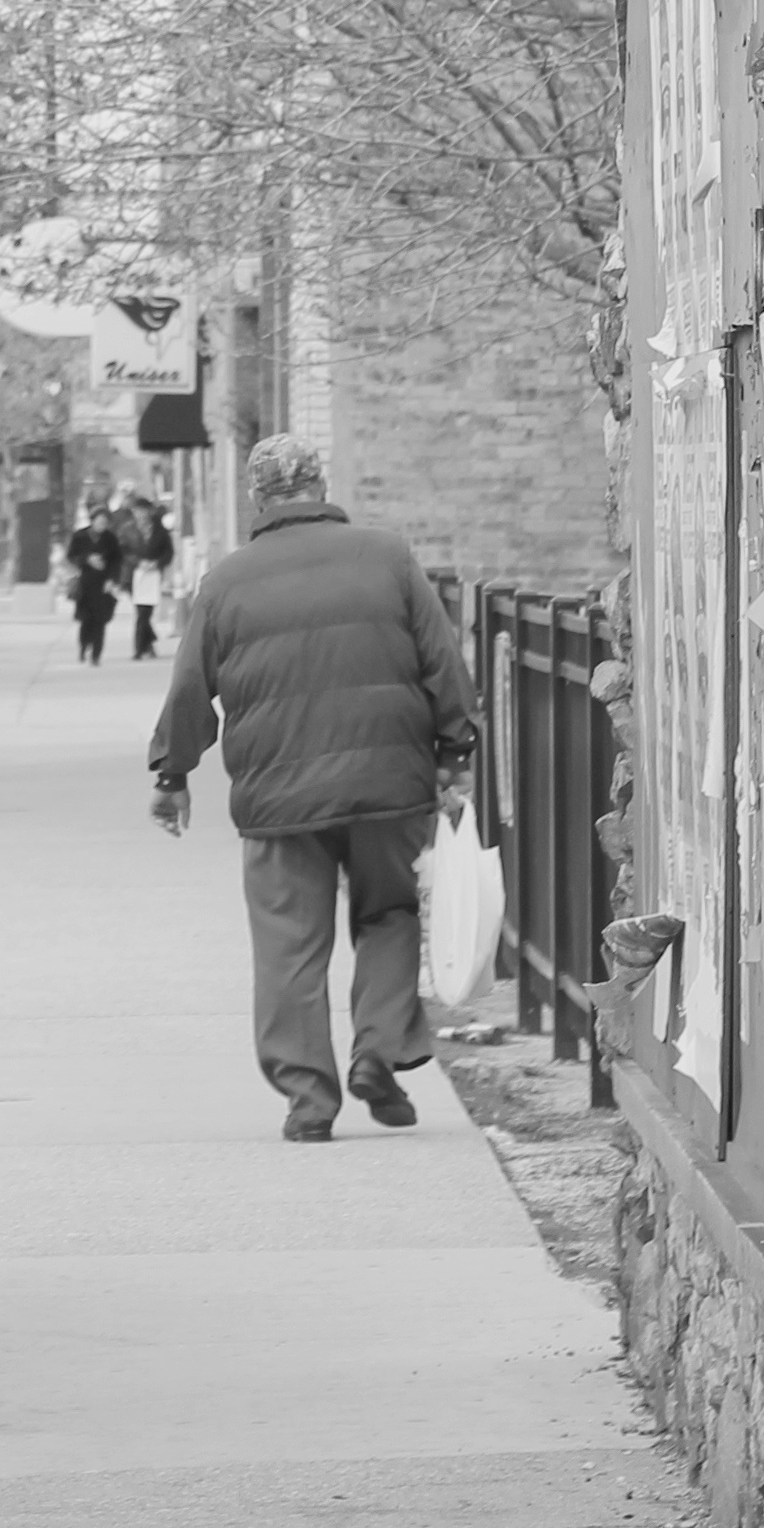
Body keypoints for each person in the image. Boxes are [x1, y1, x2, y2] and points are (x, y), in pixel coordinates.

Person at [146, 434, 475, 1140]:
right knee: (388, 913)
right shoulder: (388, 557)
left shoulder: (227, 581)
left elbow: (190, 688)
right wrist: (456, 750)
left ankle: (308, 1101)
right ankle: (378, 1048)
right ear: (321, 487)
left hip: (278, 795)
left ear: (257, 498)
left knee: (288, 942)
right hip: (388, 782)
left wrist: (173, 774)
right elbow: (442, 660)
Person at [62, 499, 123, 665]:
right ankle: (83, 646)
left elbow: (117, 561)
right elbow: (71, 556)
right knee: (86, 620)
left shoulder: (110, 538)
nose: (102, 525)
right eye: (100, 521)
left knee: (100, 621)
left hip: (103, 585)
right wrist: (87, 559)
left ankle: (96, 654)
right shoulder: (80, 536)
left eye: (105, 522)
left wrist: (112, 580)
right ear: (93, 520)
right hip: (85, 583)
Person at [122, 492, 177, 660]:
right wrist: (138, 562)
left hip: (152, 576)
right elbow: (122, 552)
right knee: (141, 612)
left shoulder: (160, 530)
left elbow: (168, 552)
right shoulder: (127, 529)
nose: (141, 514)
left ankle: (142, 647)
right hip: (133, 576)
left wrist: (157, 563)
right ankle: (145, 645)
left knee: (145, 612)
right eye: (137, 511)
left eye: (144, 511)